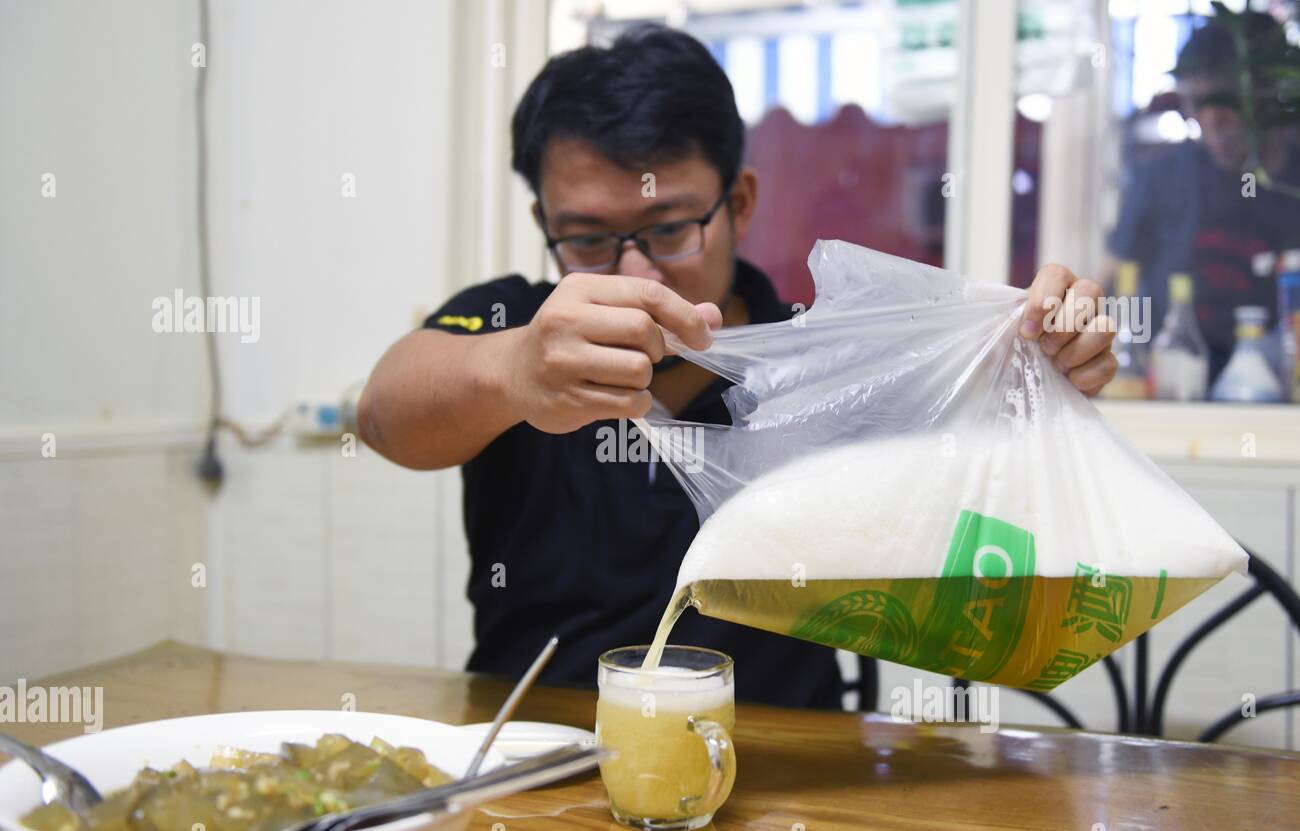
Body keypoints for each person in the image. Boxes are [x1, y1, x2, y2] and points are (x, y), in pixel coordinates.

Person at [358, 26, 1117, 709]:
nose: (638, 277)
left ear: (741, 202)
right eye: (586, 239)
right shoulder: (514, 322)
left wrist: (1045, 357)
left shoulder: (829, 354)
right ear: (543, 224)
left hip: (790, 787)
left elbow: (999, 479)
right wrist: (513, 369)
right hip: (533, 758)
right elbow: (384, 414)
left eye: (669, 228)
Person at [1109, 11, 1300, 380]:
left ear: (1263, 95)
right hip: (1173, 389)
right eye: (1196, 104)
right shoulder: (1161, 178)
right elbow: (1116, 277)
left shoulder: (1292, 187)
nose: (1211, 121)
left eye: (1225, 103)